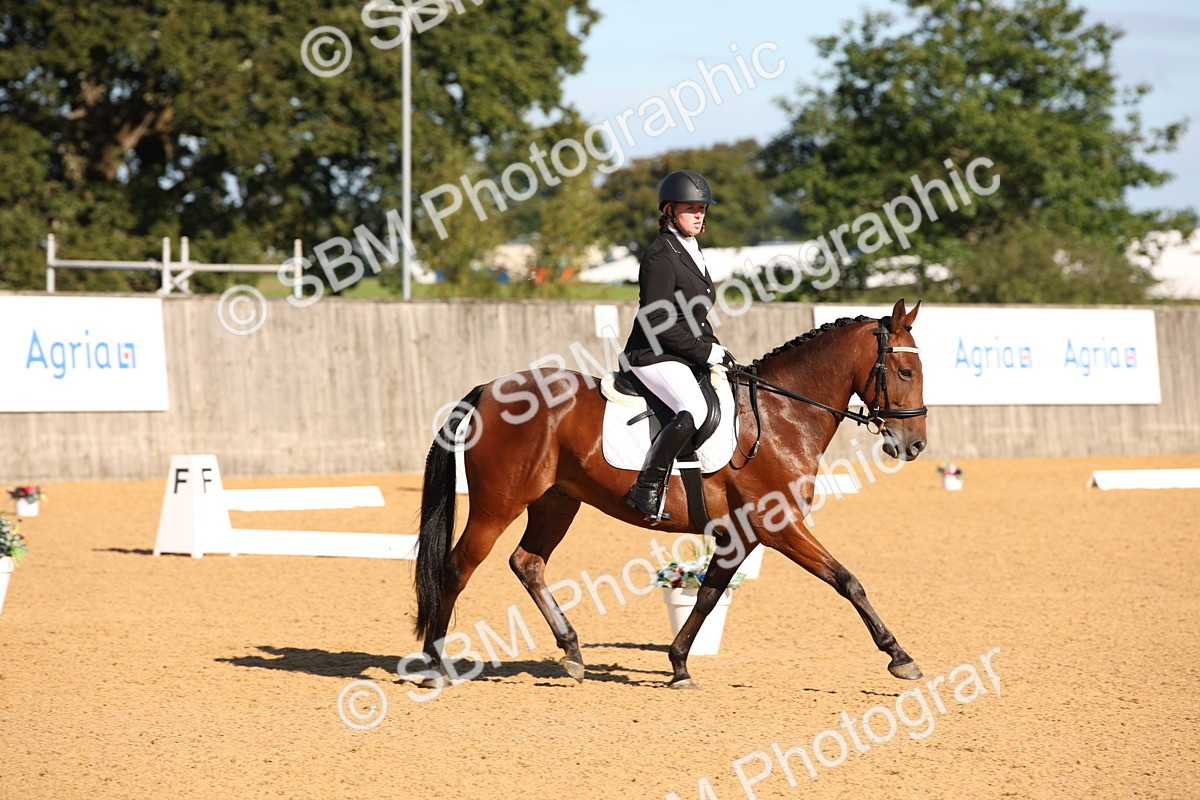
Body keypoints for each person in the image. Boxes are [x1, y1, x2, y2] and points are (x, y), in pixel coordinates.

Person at [622, 169, 735, 521]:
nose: (700, 214)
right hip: (653, 354)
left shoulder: (691, 250)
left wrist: (717, 349)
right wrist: (704, 352)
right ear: (669, 210)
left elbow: (692, 316)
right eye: (691, 208)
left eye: (703, 208)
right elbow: (657, 321)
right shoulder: (660, 255)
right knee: (694, 409)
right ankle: (647, 488)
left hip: (682, 353)